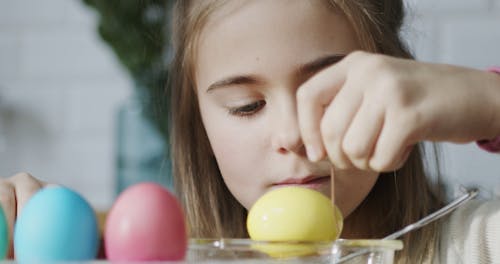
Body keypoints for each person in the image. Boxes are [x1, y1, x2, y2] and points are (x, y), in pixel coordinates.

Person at [1, 0, 500, 262]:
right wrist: (43, 235)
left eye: (327, 93)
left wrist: (487, 103)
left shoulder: (472, 246)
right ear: (201, 129)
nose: (292, 135)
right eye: (247, 106)